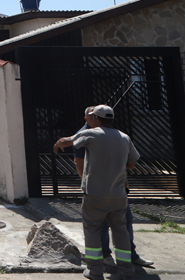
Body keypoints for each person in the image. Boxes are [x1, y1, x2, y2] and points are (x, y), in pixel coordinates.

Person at [54, 105, 140, 280]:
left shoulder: (91, 134)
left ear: (96, 118)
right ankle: (126, 271)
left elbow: (66, 141)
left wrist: (58, 144)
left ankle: (95, 272)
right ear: (112, 119)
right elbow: (131, 164)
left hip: (95, 194)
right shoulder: (124, 137)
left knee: (92, 230)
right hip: (118, 195)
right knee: (121, 231)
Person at [71, 107, 153, 268]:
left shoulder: (117, 136)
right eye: (90, 116)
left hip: (114, 190)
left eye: (94, 116)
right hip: (105, 191)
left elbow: (123, 162)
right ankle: (108, 258)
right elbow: (79, 161)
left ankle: (126, 258)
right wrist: (87, 183)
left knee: (119, 224)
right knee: (106, 226)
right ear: (87, 119)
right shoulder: (85, 135)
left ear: (97, 118)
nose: (93, 119)